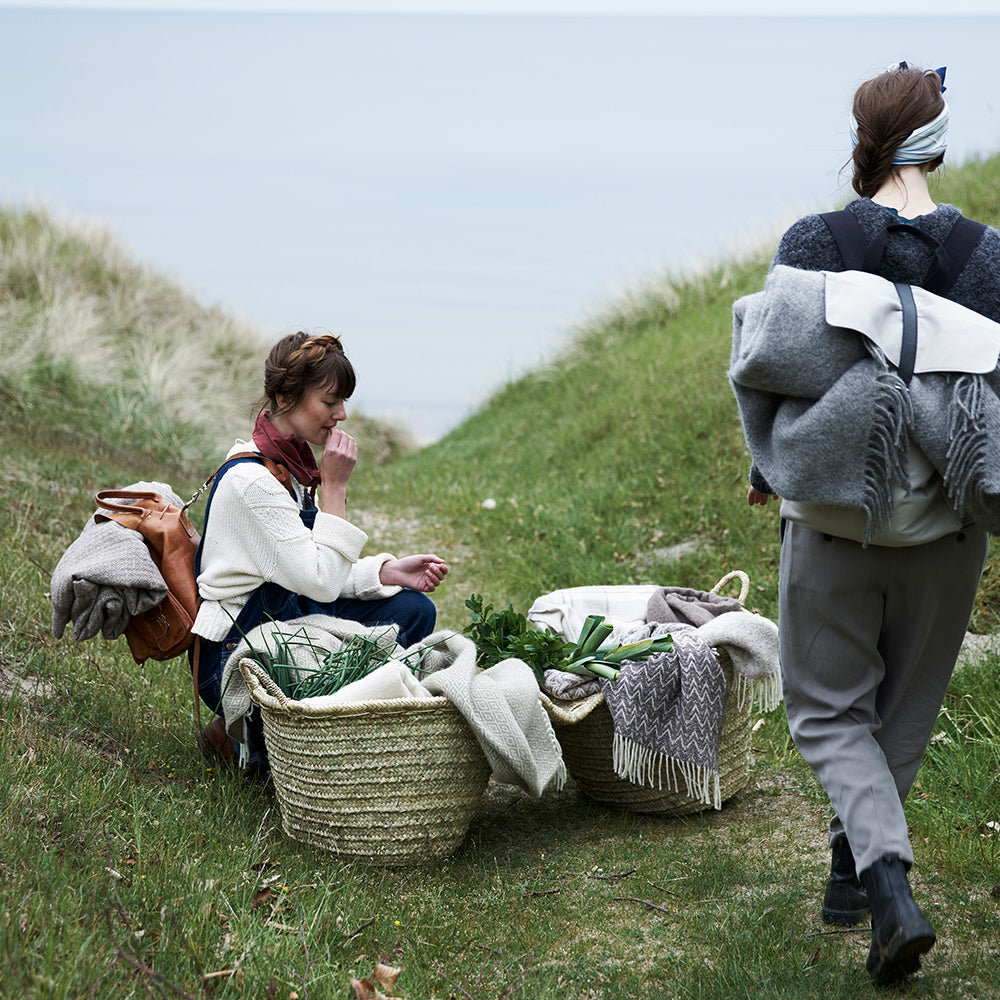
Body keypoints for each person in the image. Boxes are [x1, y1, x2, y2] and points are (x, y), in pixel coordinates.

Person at [735, 63, 1000, 984]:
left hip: (837, 522)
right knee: (904, 713)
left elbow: (774, 367)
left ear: (869, 137)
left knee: (825, 709)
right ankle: (858, 877)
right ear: (936, 141)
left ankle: (881, 880)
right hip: (950, 530)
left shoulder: (816, 238)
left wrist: (768, 469)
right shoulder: (987, 256)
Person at [190, 330, 448, 768]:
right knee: (362, 650)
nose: (342, 414)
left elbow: (306, 568)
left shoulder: (287, 467)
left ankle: (331, 721)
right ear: (287, 397)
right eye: (330, 402)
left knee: (414, 610)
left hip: (281, 619)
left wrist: (386, 574)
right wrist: (335, 487)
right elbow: (319, 580)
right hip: (233, 656)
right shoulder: (253, 482)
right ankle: (253, 736)